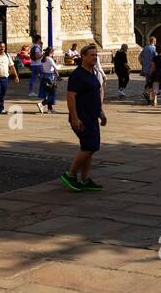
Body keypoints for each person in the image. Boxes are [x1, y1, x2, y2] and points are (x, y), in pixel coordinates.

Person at [60, 44, 107, 192]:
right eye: (92, 55)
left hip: (92, 116)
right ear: (83, 57)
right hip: (82, 118)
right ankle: (71, 174)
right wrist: (74, 118)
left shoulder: (92, 73)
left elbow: (95, 94)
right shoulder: (77, 75)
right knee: (90, 147)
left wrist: (101, 112)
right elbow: (71, 96)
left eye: (96, 55)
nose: (95, 57)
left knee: (89, 148)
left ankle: (85, 180)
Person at [36, 46, 59, 113]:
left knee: (48, 93)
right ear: (51, 52)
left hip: (45, 77)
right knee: (52, 94)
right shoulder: (49, 59)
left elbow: (43, 69)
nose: (53, 53)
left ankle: (50, 108)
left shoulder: (43, 59)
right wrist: (60, 66)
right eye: (53, 52)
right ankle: (42, 104)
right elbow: (56, 68)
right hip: (50, 78)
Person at [139, 37, 157, 104]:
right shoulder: (154, 49)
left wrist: (142, 64)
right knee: (152, 83)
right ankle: (151, 98)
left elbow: (139, 57)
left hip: (145, 69)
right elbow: (155, 59)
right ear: (154, 41)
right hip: (152, 69)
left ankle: (149, 98)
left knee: (147, 82)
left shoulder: (145, 48)